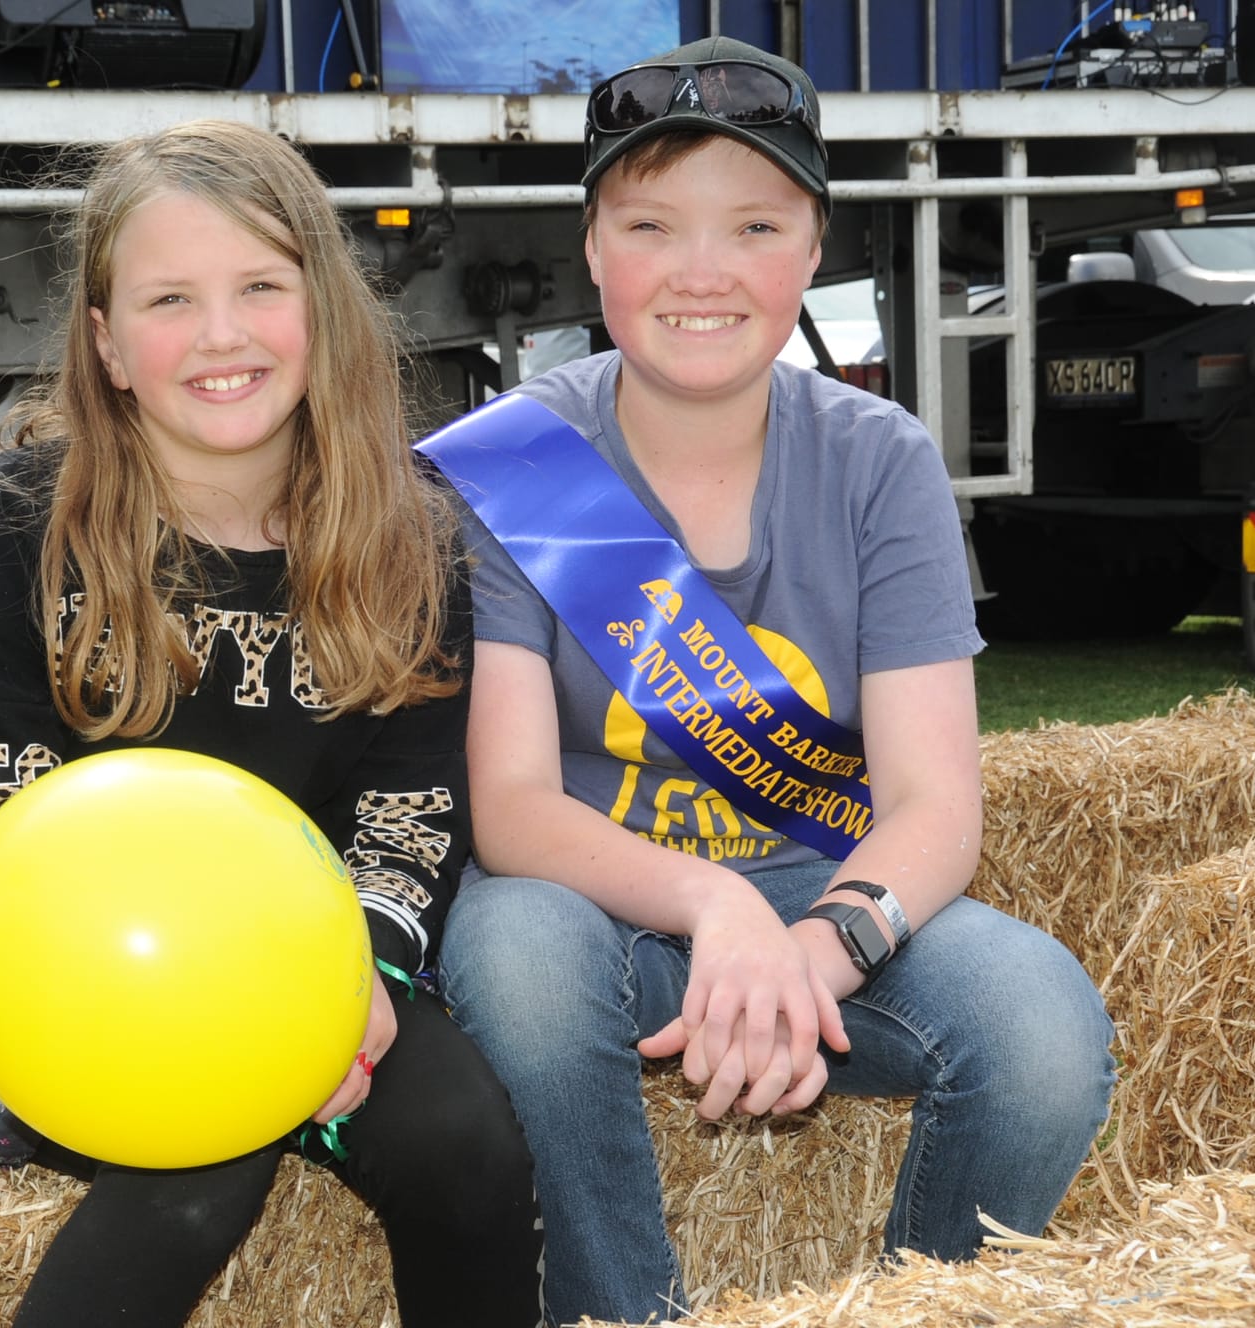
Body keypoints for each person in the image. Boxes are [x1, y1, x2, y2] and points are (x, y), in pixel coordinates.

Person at [427, 35, 1118, 1326]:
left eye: (754, 226)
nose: (701, 271)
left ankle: (925, 1305)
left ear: (813, 254)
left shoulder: (880, 460)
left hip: (820, 900)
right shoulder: (517, 465)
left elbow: (932, 804)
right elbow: (512, 808)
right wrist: (713, 911)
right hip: (597, 907)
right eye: (650, 225)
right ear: (592, 247)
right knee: (513, 951)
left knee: (1037, 1024)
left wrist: (822, 941)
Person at [0, 119, 543, 1328]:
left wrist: (353, 975)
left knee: (466, 1147)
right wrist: (218, 1028)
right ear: (103, 344)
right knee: (202, 1157)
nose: (219, 334)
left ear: (324, 309)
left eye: (260, 285)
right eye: (167, 298)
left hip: (321, 959)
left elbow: (411, 803)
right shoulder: (7, 530)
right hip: (77, 974)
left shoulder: (409, 535)